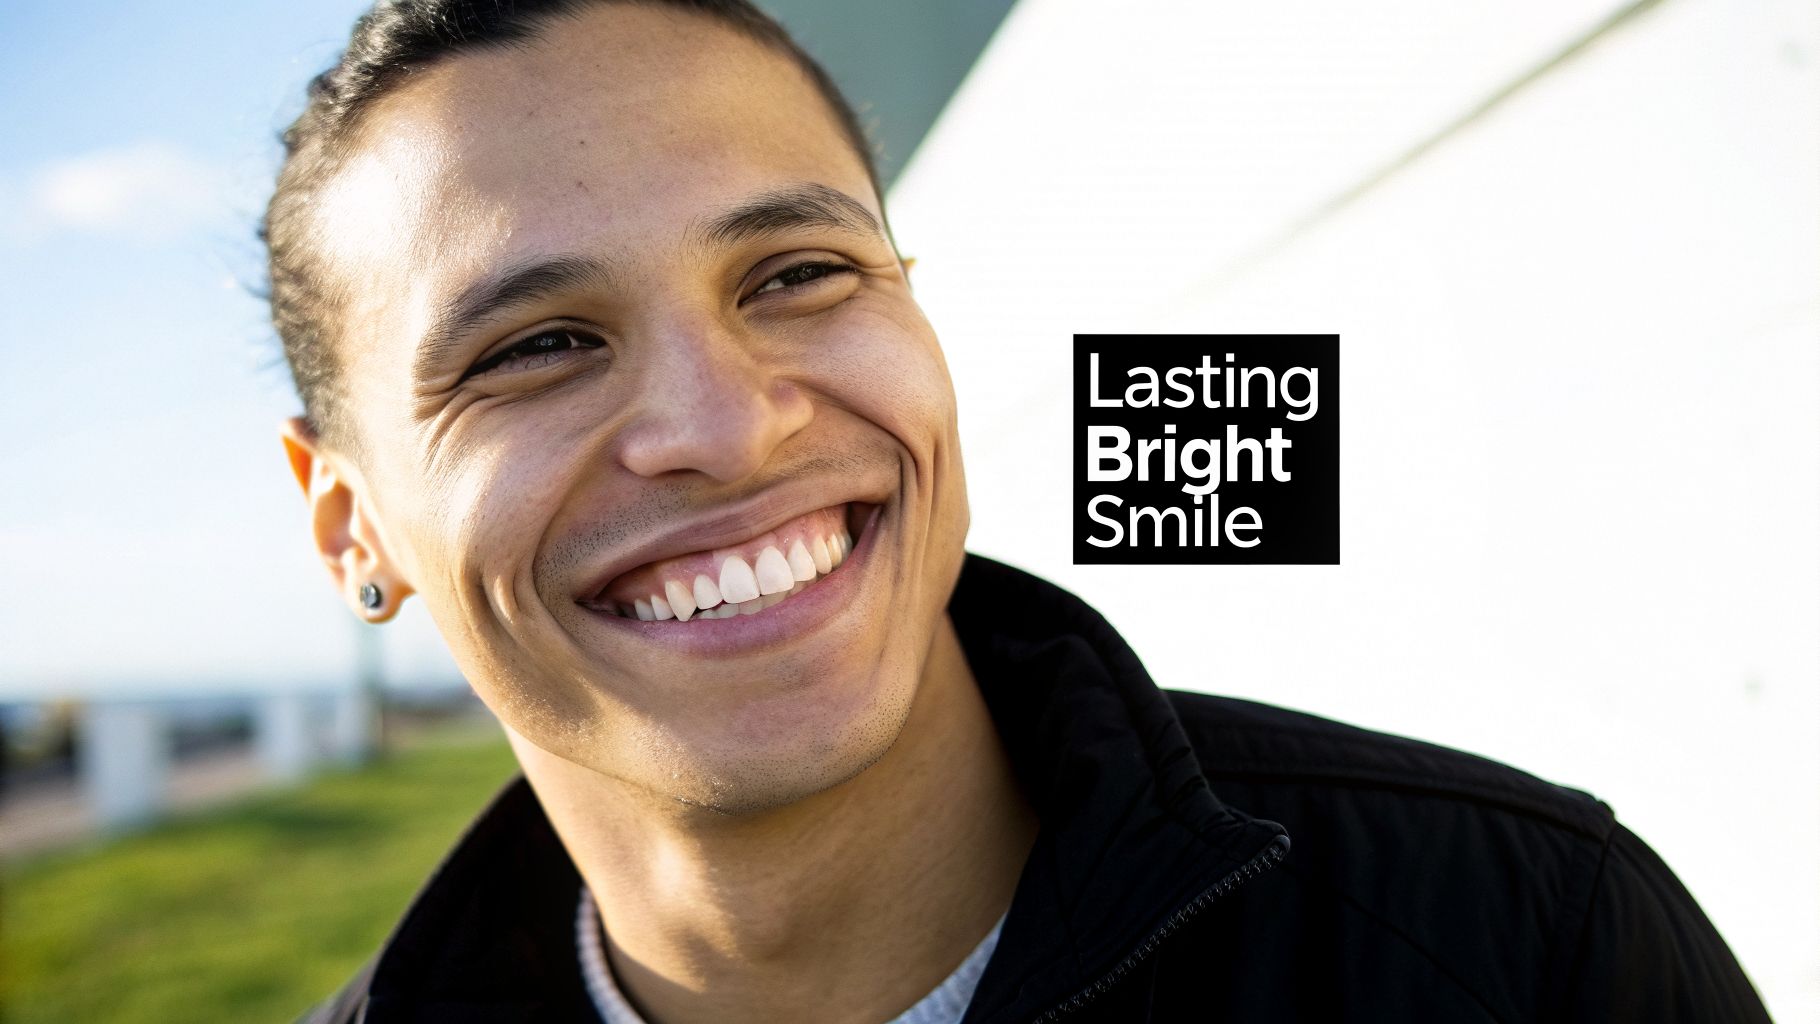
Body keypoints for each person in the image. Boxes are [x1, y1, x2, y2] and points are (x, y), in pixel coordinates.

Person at [267, 2, 1770, 1021]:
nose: (726, 428)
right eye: (536, 348)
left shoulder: (1527, 939)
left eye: (798, 274)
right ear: (350, 526)